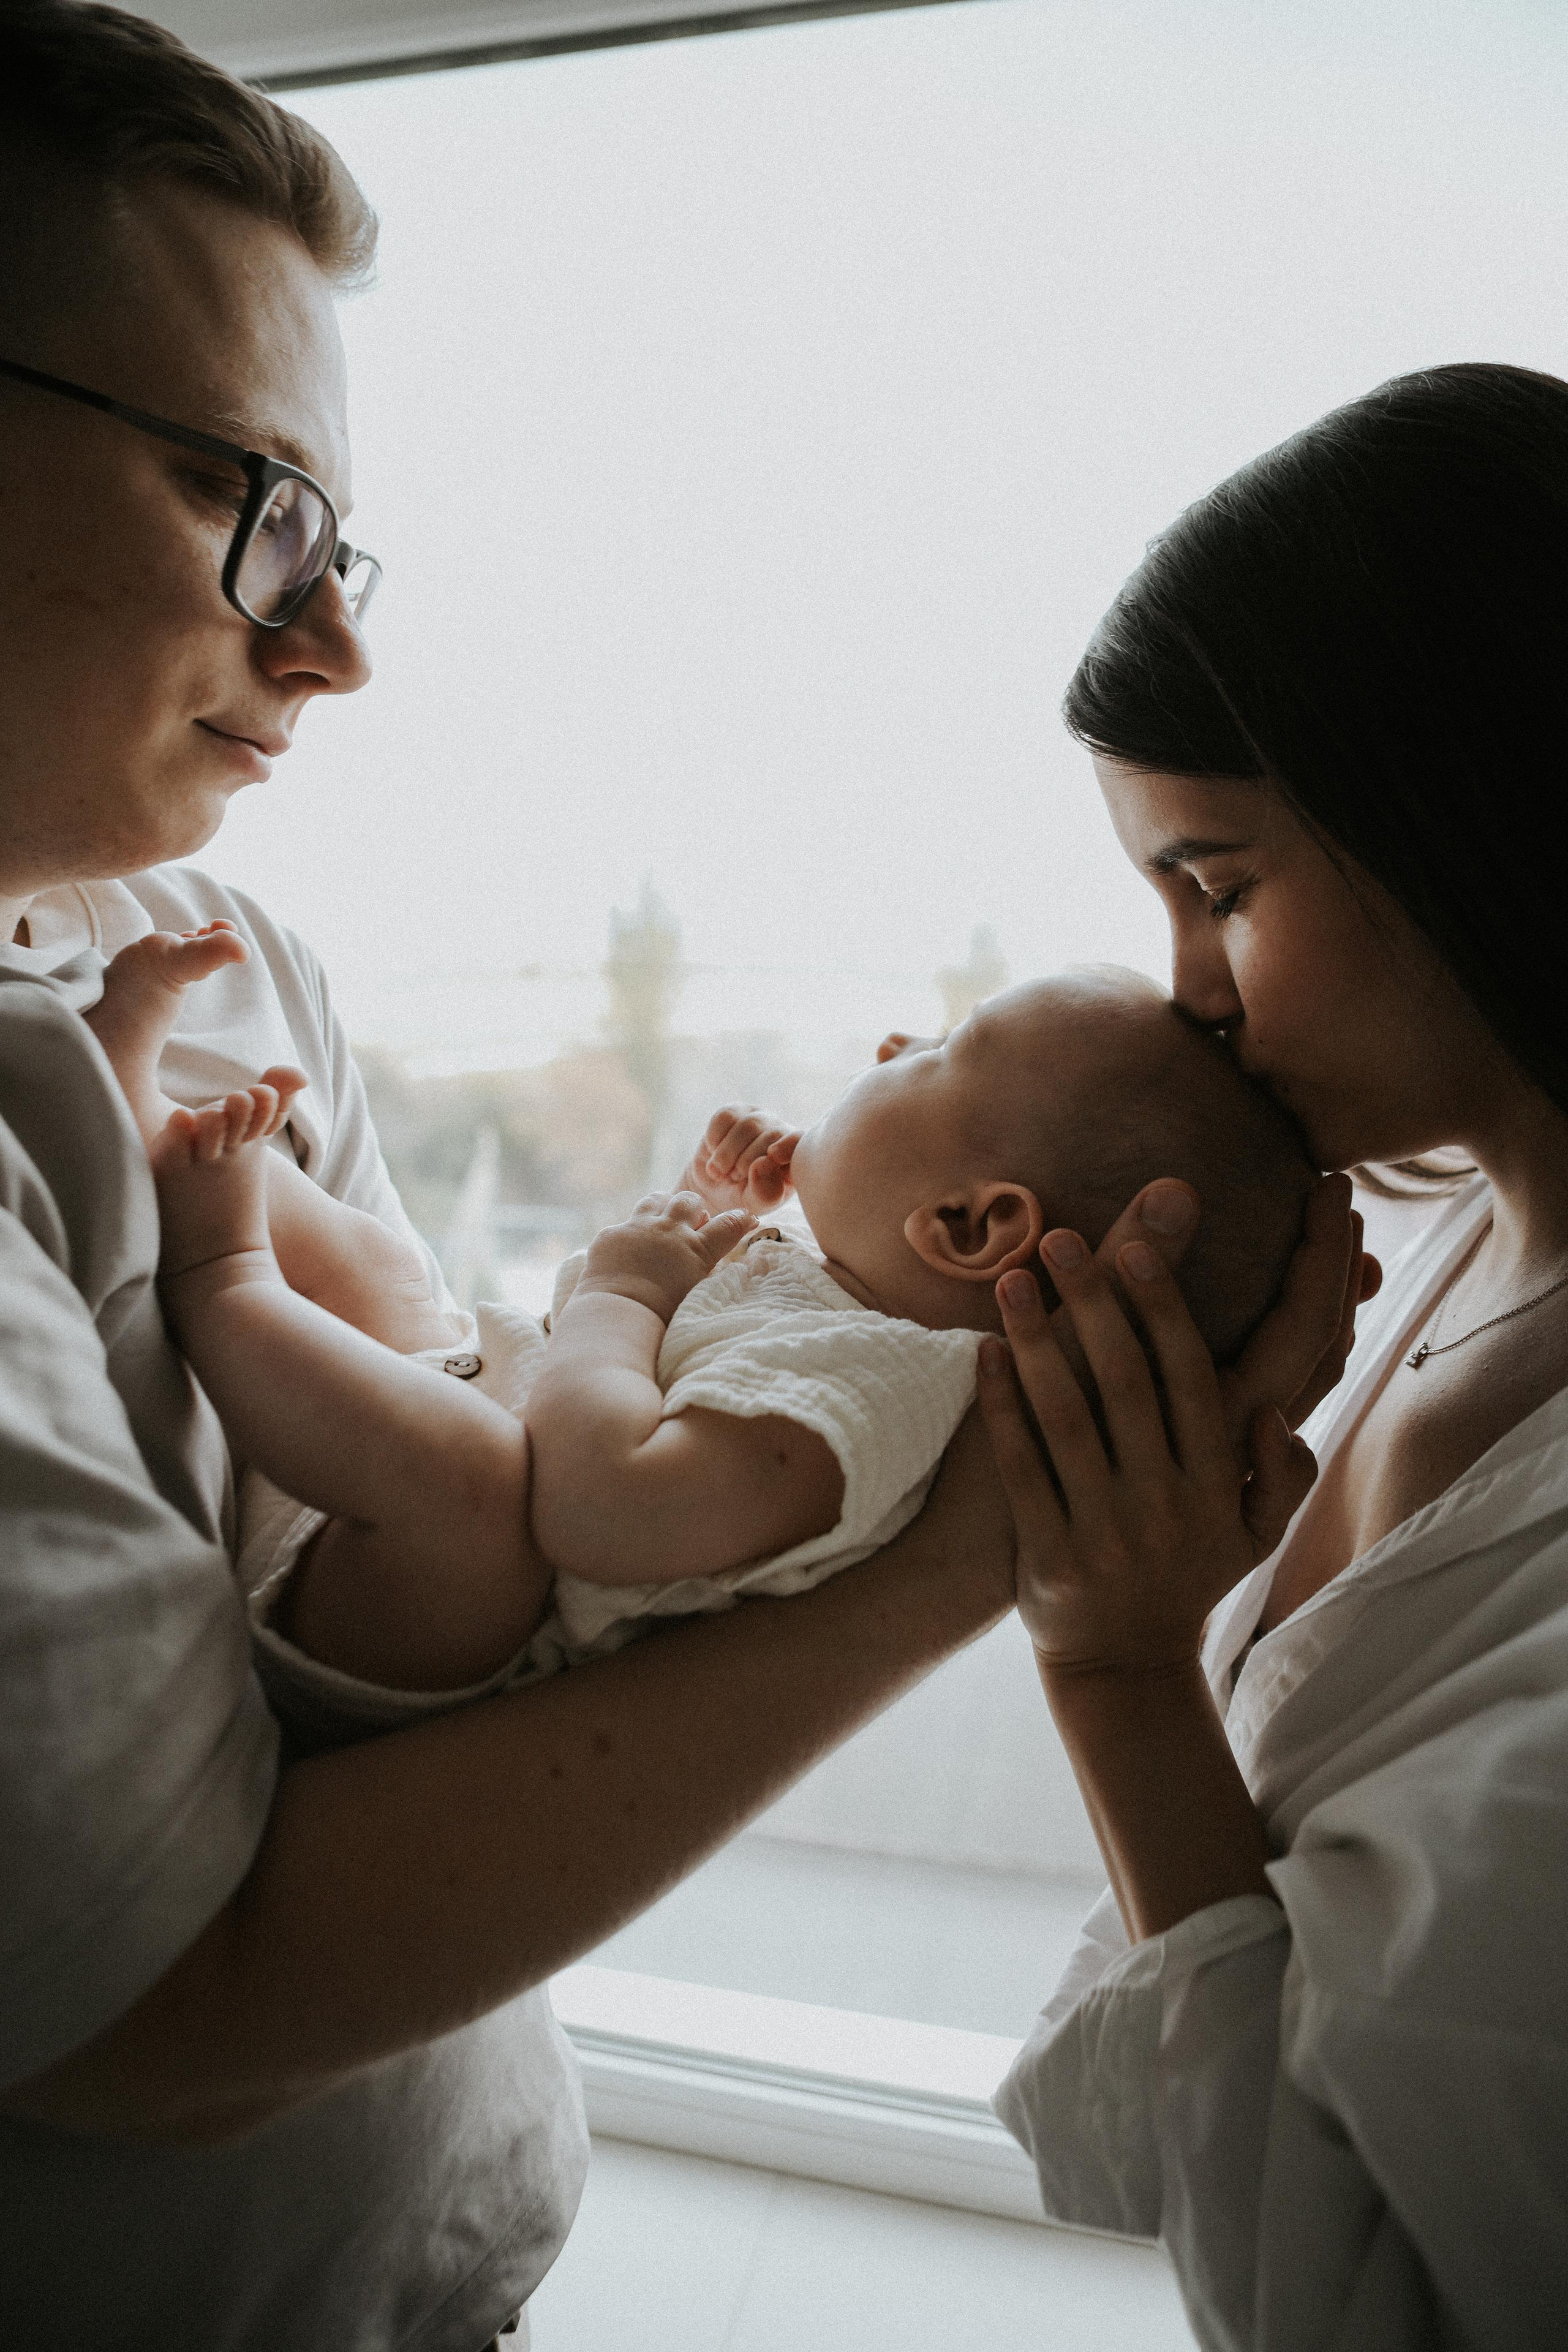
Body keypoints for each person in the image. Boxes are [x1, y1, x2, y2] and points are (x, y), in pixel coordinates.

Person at [0, 7, 1363, 2344]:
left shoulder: (212, 955)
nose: (329, 648)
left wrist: (628, 1297)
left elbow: (482, 1410)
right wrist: (975, 1563)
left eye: (341, 543)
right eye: (255, 501)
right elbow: (169, 2007)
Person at [982, 363, 1568, 2348]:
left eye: (1222, 887)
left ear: (1479, 802)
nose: (1187, 994)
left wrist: (1121, 1669)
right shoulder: (1442, 1258)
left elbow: (1362, 2302)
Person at [84, 940, 1314, 1700]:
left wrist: (627, 1291)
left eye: (934, 1056)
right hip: (436, 1464)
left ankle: (219, 1268)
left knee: (472, 1482)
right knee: (390, 1278)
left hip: (442, 1634)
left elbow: (602, 1505)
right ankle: (133, 1112)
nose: (889, 1040)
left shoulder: (879, 1396)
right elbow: (688, 1355)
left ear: (962, 1226)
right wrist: (709, 1218)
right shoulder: (842, 1317)